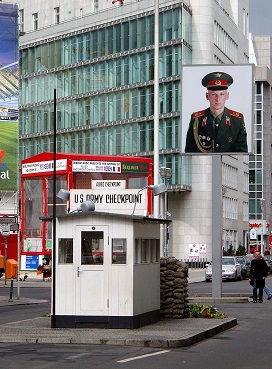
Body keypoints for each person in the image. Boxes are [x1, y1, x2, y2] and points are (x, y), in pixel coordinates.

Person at [185, 71, 248, 153]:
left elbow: (242, 152)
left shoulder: (237, 120)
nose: (218, 99)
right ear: (207, 96)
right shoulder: (196, 119)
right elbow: (190, 151)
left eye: (221, 94)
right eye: (214, 94)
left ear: (227, 96)